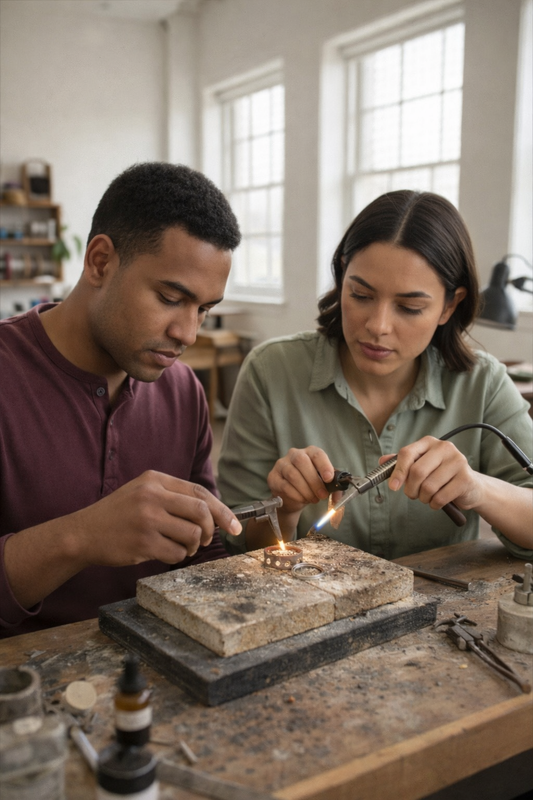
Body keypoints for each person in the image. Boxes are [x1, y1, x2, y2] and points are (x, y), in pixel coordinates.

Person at [217, 190, 533, 560]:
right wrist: (284, 509)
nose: (378, 326)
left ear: (450, 305)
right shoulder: (270, 373)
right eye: (361, 295)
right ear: (342, 276)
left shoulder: (484, 385)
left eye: (409, 307)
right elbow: (237, 548)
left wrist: (477, 489)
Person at [0, 162, 244, 637]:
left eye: (205, 310)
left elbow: (203, 550)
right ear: (100, 262)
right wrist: (83, 537)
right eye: (171, 298)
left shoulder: (184, 392)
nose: (187, 333)